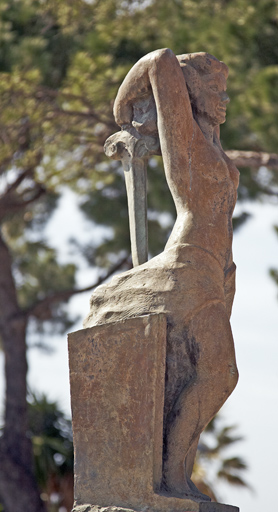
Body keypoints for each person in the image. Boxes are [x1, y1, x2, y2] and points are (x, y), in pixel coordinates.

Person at [84, 49, 239, 501]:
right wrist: (122, 109)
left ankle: (175, 478)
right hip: (188, 265)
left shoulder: (212, 144)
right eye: (217, 87)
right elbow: (160, 60)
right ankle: (171, 479)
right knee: (219, 374)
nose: (225, 97)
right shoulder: (185, 140)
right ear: (191, 89)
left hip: (214, 273)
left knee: (217, 375)